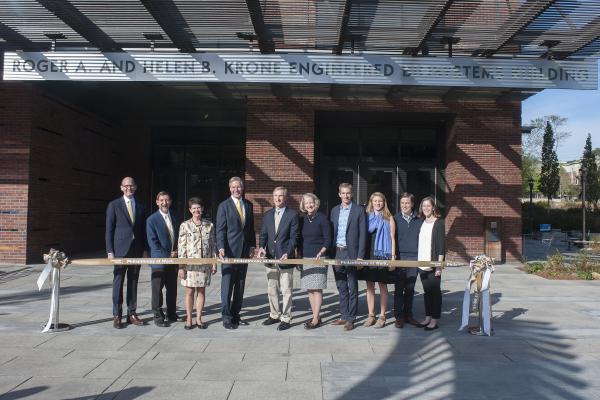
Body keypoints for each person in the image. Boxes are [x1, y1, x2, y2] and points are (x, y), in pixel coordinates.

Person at [105, 176, 148, 329]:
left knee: (134, 282)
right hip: (119, 251)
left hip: (136, 250)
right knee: (118, 282)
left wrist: (144, 249)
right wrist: (110, 250)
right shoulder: (114, 205)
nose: (129, 188)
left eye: (131, 185)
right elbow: (109, 230)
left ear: (135, 187)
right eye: (126, 186)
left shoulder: (141, 206)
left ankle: (132, 313)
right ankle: (117, 315)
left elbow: (143, 230)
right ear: (121, 187)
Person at [216, 177, 256, 329]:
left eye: (238, 187)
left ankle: (235, 315)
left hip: (244, 252)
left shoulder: (248, 205)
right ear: (229, 188)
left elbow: (250, 229)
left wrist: (252, 246)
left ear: (242, 188)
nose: (236, 190)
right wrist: (220, 247)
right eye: (233, 187)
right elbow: (220, 230)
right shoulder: (223, 206)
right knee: (227, 286)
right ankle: (226, 317)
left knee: (240, 285)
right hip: (228, 252)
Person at [258, 186, 299, 331]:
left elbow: (294, 237)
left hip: (285, 258)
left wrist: (288, 252)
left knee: (286, 290)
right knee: (272, 288)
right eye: (275, 195)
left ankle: (286, 318)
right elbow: (263, 235)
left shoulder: (292, 215)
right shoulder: (268, 215)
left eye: (280, 196)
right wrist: (261, 248)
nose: (277, 198)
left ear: (285, 197)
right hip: (270, 257)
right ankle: (274, 315)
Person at [330, 182, 367, 331]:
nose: (345, 196)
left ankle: (351, 318)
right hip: (337, 252)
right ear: (339, 194)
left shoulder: (359, 210)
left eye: (348, 193)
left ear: (352, 194)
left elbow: (363, 234)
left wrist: (360, 256)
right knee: (341, 285)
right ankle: (344, 315)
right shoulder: (333, 211)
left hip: (351, 253)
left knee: (352, 286)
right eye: (343, 193)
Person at [177, 197, 217, 330]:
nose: (196, 210)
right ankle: (189, 317)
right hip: (189, 266)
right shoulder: (184, 225)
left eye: (198, 208)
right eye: (193, 208)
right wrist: (181, 266)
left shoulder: (209, 225)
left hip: (204, 265)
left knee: (201, 291)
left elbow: (212, 245)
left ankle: (199, 317)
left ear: (202, 209)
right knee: (189, 292)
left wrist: (214, 262)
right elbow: (181, 247)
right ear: (190, 210)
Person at [358, 192, 396, 329]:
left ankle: (382, 315)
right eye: (375, 201)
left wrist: (392, 258)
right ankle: (371, 315)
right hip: (369, 255)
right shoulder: (366, 217)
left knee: (382, 285)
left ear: (384, 202)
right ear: (371, 202)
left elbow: (392, 238)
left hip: (382, 256)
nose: (378, 203)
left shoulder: (389, 218)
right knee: (369, 286)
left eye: (380, 201)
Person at [146, 191, 180, 327]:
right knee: (157, 290)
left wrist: (178, 252)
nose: (164, 202)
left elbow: (180, 237)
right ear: (157, 202)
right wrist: (167, 255)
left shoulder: (176, 217)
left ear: (170, 201)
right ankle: (158, 316)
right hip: (159, 261)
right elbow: (153, 242)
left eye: (167, 200)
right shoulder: (151, 220)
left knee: (172, 289)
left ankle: (172, 313)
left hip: (174, 261)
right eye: (162, 200)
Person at [298, 193, 332, 329]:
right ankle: (315, 316)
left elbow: (328, 239)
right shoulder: (303, 220)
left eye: (311, 202)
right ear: (303, 205)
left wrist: (322, 251)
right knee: (310, 289)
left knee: (317, 289)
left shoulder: (323, 219)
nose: (309, 205)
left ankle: (316, 319)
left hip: (319, 257)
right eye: (306, 203)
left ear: (315, 203)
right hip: (306, 257)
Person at [416, 196, 446, 331]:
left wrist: (439, 266)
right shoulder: (422, 222)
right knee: (427, 292)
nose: (426, 208)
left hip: (433, 265)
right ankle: (427, 317)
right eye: (424, 206)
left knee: (435, 293)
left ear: (433, 207)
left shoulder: (438, 223)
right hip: (421, 263)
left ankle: (434, 320)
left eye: (428, 206)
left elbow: (441, 247)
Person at [393, 193, 422, 328]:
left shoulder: (419, 220)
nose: (404, 205)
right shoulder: (395, 219)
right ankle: (398, 317)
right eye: (402, 203)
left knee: (410, 288)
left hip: (414, 258)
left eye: (407, 203)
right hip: (400, 258)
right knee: (399, 289)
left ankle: (408, 315)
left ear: (412, 204)